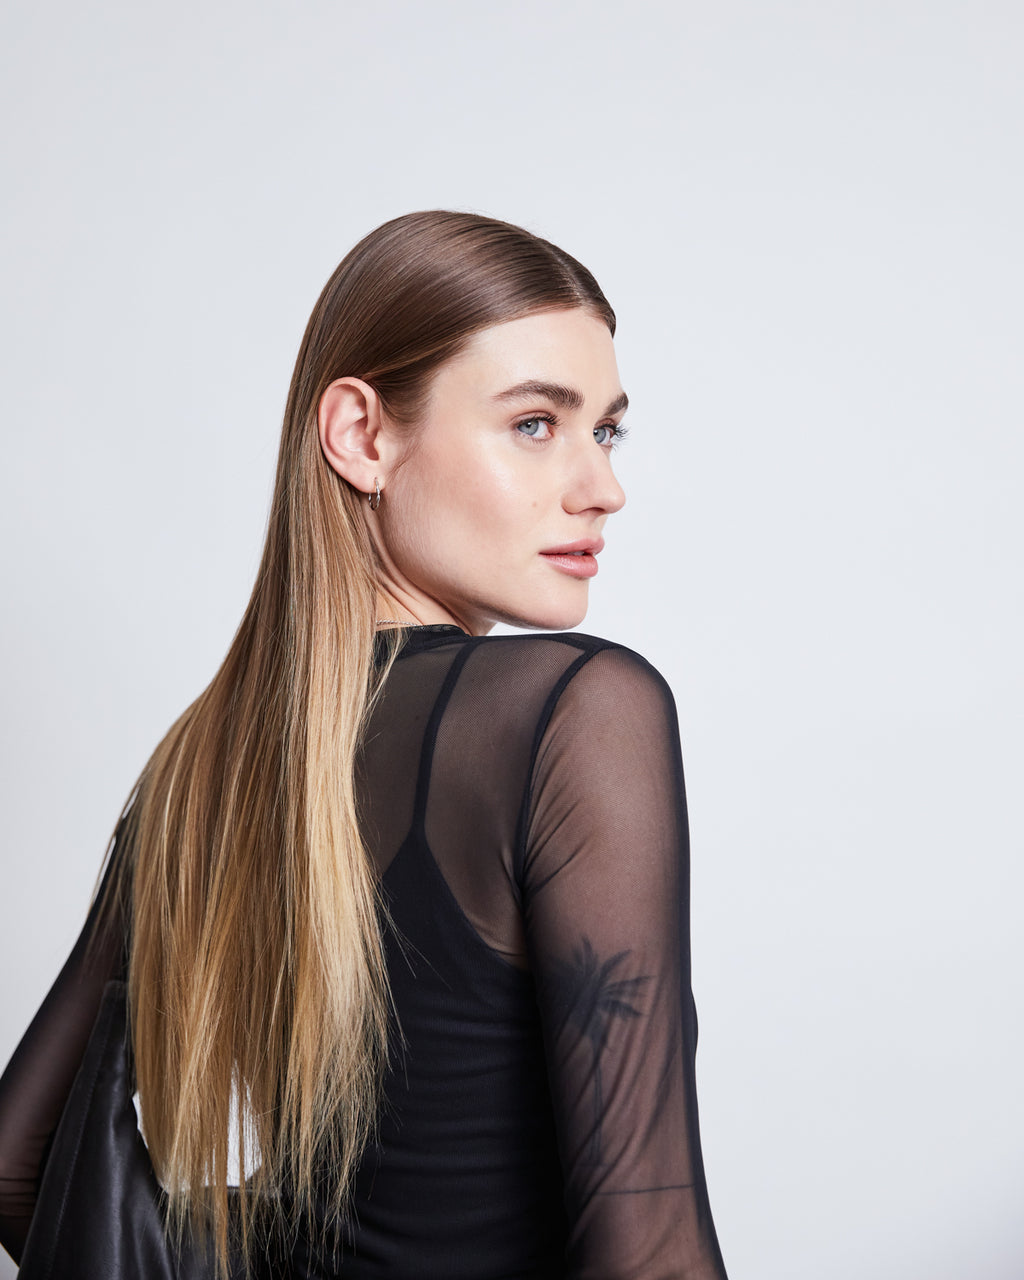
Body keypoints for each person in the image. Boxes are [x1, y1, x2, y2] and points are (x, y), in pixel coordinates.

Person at [0, 210, 729, 1278]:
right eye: (535, 423)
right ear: (361, 437)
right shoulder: (574, 712)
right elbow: (649, 1253)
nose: (600, 486)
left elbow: (20, 1165)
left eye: (604, 429)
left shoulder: (201, 770)